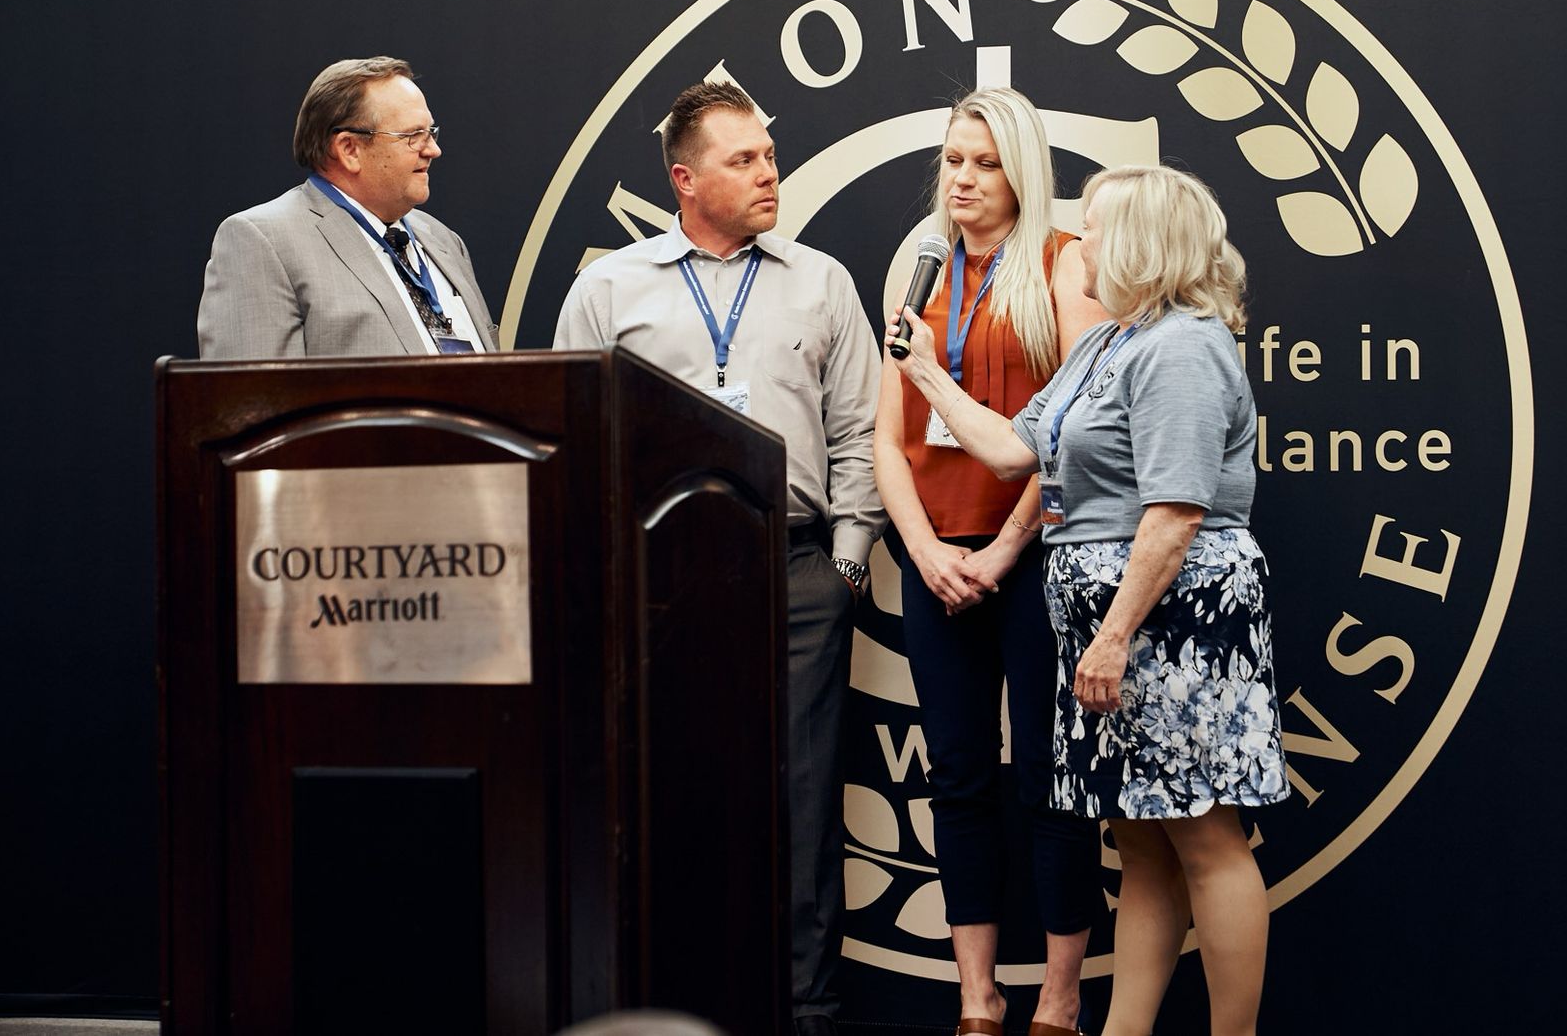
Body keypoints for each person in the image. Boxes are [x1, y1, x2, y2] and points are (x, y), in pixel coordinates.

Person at [886, 165, 1290, 1036]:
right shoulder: (1105, 344)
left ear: (1142, 243)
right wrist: (925, 372)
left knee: (1205, 836)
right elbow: (1010, 451)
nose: (1081, 247)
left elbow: (1175, 515)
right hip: (1114, 628)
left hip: (1173, 622)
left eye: (1097, 231)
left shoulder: (1183, 346)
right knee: (1140, 840)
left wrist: (1110, 638)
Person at [553, 80, 883, 1036]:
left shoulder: (821, 281)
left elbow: (860, 432)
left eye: (769, 156)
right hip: (659, 581)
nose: (769, 173)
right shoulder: (609, 288)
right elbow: (574, 435)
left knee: (805, 803)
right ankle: (675, 1011)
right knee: (668, 798)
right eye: (744, 160)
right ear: (684, 179)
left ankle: (808, 1013)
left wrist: (845, 566)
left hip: (798, 572)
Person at [870, 89, 1107, 1036]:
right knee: (959, 774)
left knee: (1051, 778)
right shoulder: (919, 267)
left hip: (1037, 555)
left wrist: (1007, 548)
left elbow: (1078, 432)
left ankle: (1059, 998)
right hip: (937, 561)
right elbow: (887, 437)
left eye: (985, 162)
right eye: (953, 160)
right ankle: (978, 997)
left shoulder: (1065, 261)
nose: (962, 179)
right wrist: (924, 549)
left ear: (1022, 171)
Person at [198, 56, 497, 358]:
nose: (433, 149)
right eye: (413, 136)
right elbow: (255, 387)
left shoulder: (444, 241)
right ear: (349, 149)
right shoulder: (263, 243)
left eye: (430, 133)